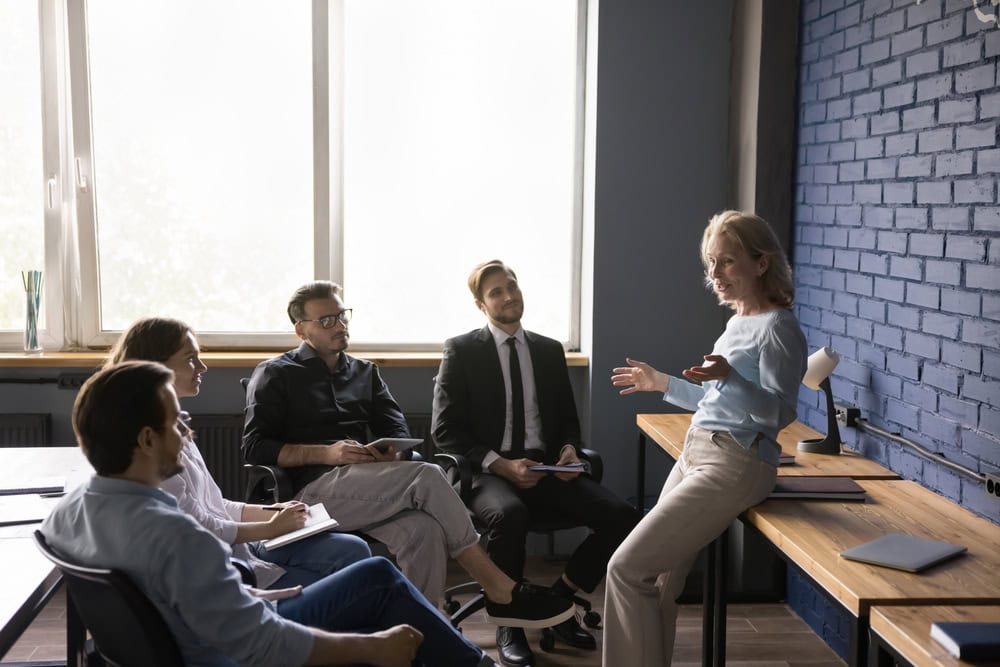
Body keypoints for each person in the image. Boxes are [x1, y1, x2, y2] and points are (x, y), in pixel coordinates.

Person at [42, 361, 499, 667]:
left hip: (183, 643)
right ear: (145, 440)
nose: (187, 430)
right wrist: (373, 647)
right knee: (378, 578)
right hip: (224, 656)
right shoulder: (178, 538)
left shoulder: (66, 513)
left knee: (377, 573)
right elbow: (263, 645)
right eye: (176, 421)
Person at [243, 280, 574, 629]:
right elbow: (255, 447)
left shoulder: (364, 372)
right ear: (301, 329)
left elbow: (399, 431)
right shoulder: (275, 372)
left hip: (366, 487)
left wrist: (392, 453)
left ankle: (420, 632)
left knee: (424, 530)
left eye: (342, 316)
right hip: (306, 496)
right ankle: (498, 586)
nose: (340, 326)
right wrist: (327, 453)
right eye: (327, 320)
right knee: (428, 475)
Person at [606, 210, 807, 666]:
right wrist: (662, 383)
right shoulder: (738, 322)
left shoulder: (779, 327)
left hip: (736, 461)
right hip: (698, 449)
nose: (715, 274)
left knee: (625, 569)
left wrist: (731, 376)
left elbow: (779, 413)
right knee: (657, 585)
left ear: (761, 263)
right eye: (711, 263)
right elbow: (717, 400)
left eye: (728, 262)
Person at [432, 259, 641, 666]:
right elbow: (446, 431)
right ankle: (509, 622)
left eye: (512, 286)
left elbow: (566, 420)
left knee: (621, 517)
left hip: (545, 469)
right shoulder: (461, 350)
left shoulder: (547, 350)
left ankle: (557, 605)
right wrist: (500, 465)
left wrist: (568, 451)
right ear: (480, 304)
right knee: (509, 517)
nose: (509, 296)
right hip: (490, 472)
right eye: (496, 292)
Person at [106, 317, 372, 590]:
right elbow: (198, 527)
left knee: (353, 550)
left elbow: (215, 506)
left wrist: (270, 512)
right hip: (225, 567)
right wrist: (271, 528)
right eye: (190, 359)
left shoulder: (174, 425)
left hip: (240, 548)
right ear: (155, 367)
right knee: (365, 579)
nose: (203, 367)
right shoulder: (151, 446)